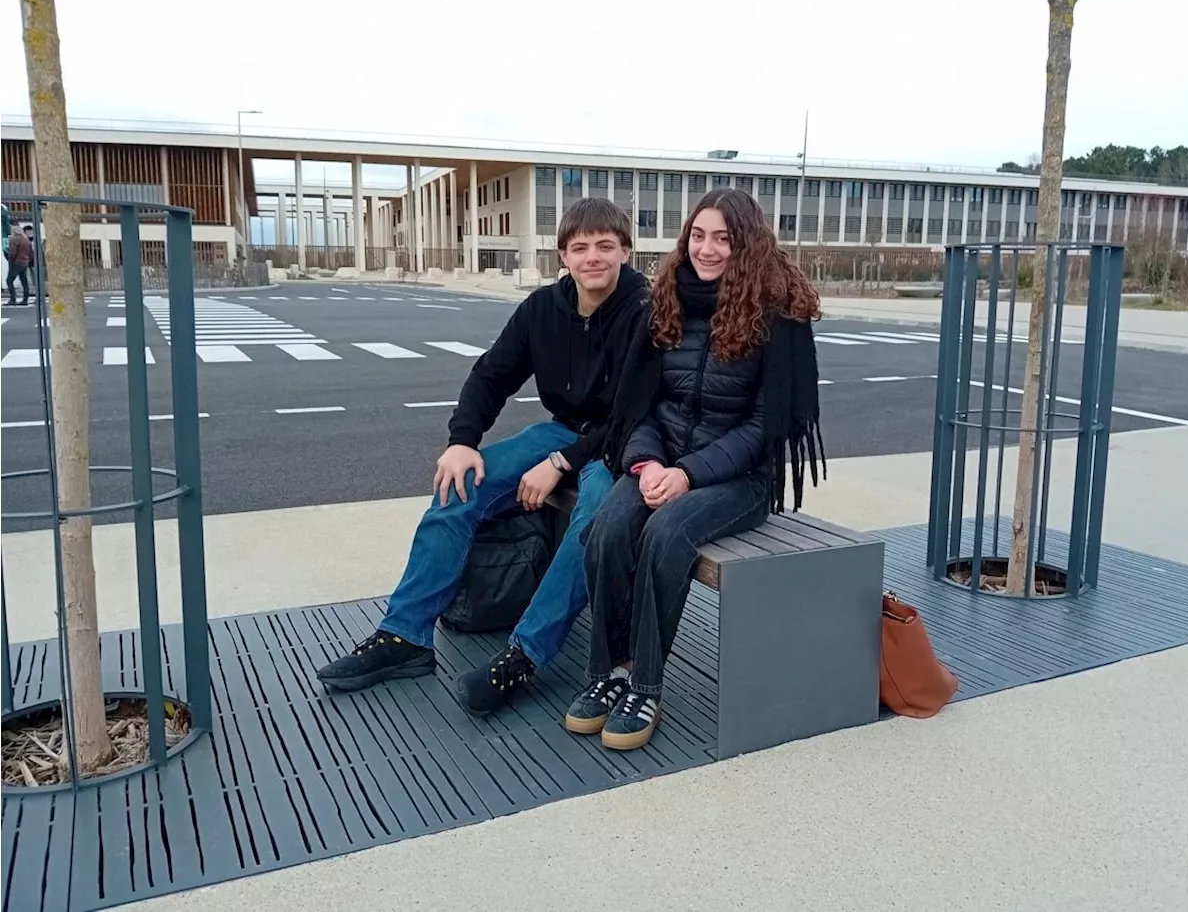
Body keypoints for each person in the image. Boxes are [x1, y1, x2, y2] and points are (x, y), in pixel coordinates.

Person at [316, 198, 649, 715]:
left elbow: (632, 412)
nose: (593, 258)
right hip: (561, 432)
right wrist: (462, 441)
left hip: (621, 445)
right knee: (460, 485)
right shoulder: (543, 309)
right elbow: (492, 374)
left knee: (594, 519)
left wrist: (561, 463)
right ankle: (404, 636)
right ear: (562, 255)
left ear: (626, 251)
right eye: (579, 247)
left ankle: (523, 654)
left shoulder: (645, 311)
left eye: (605, 246)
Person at [565, 187, 824, 751]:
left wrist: (688, 475)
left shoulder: (777, 316)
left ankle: (646, 685)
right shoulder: (668, 303)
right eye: (698, 236)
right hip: (667, 462)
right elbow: (644, 404)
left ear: (746, 245)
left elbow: (765, 429)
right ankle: (608, 671)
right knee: (607, 527)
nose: (707, 250)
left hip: (740, 479)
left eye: (723, 239)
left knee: (664, 532)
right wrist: (649, 461)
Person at [4, 222, 31, 307]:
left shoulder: (14, 239)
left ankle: (13, 299)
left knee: (9, 280)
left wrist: (10, 260)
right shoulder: (25, 239)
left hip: (16, 262)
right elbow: (30, 252)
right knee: (24, 281)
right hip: (25, 262)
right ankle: (25, 299)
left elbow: (12, 253)